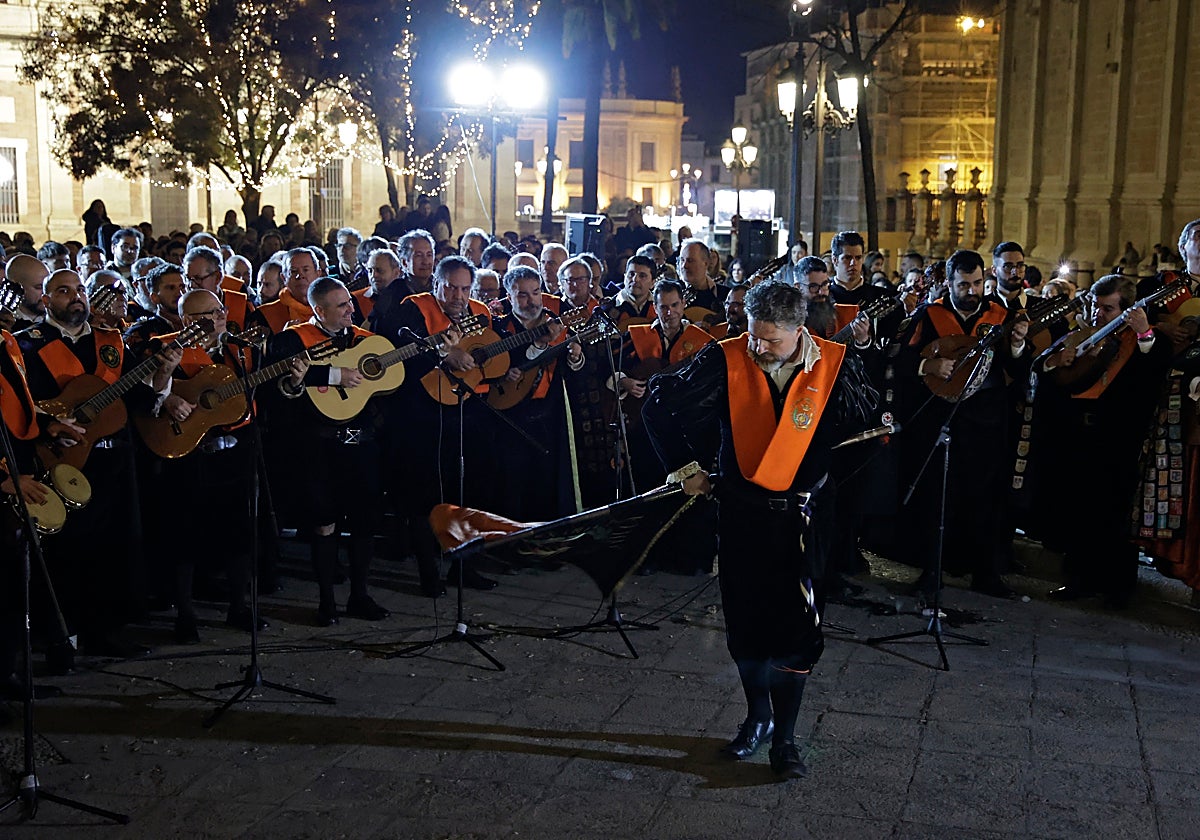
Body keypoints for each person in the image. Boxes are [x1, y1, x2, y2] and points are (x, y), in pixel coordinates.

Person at [642, 280, 872, 778]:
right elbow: (658, 403)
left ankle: (785, 739)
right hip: (743, 512)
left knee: (797, 627)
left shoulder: (837, 363)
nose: (758, 348)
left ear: (799, 330)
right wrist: (686, 468)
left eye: (770, 340)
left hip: (806, 519)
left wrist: (826, 484)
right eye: (753, 335)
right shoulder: (725, 357)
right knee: (745, 622)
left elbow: (871, 428)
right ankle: (757, 716)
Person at [897, 249, 1030, 599]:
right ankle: (932, 571)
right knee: (937, 496)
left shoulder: (1002, 317)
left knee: (985, 497)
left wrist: (1016, 348)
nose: (971, 291)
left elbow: (1018, 372)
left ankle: (986, 573)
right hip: (941, 419)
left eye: (976, 283)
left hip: (987, 419)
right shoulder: (930, 316)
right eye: (963, 284)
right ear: (949, 283)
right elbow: (903, 360)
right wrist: (928, 367)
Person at [1035, 275, 1171, 607]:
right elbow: (1047, 368)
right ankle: (1078, 579)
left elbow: (1155, 366)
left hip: (1117, 439)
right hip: (1080, 434)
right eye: (1097, 307)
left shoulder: (1145, 338)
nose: (1099, 315)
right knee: (1078, 509)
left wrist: (1143, 332)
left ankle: (1116, 587)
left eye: (1108, 309)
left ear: (1128, 308)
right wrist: (1060, 361)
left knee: (1113, 514)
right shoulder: (1087, 335)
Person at [264, 276, 390, 626]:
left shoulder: (365, 341)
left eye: (350, 302)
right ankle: (326, 602)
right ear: (319, 310)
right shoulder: (292, 340)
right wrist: (332, 375)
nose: (352, 309)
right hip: (318, 448)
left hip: (361, 445)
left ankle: (360, 595)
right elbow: (279, 380)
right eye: (342, 305)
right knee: (324, 523)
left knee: (365, 522)